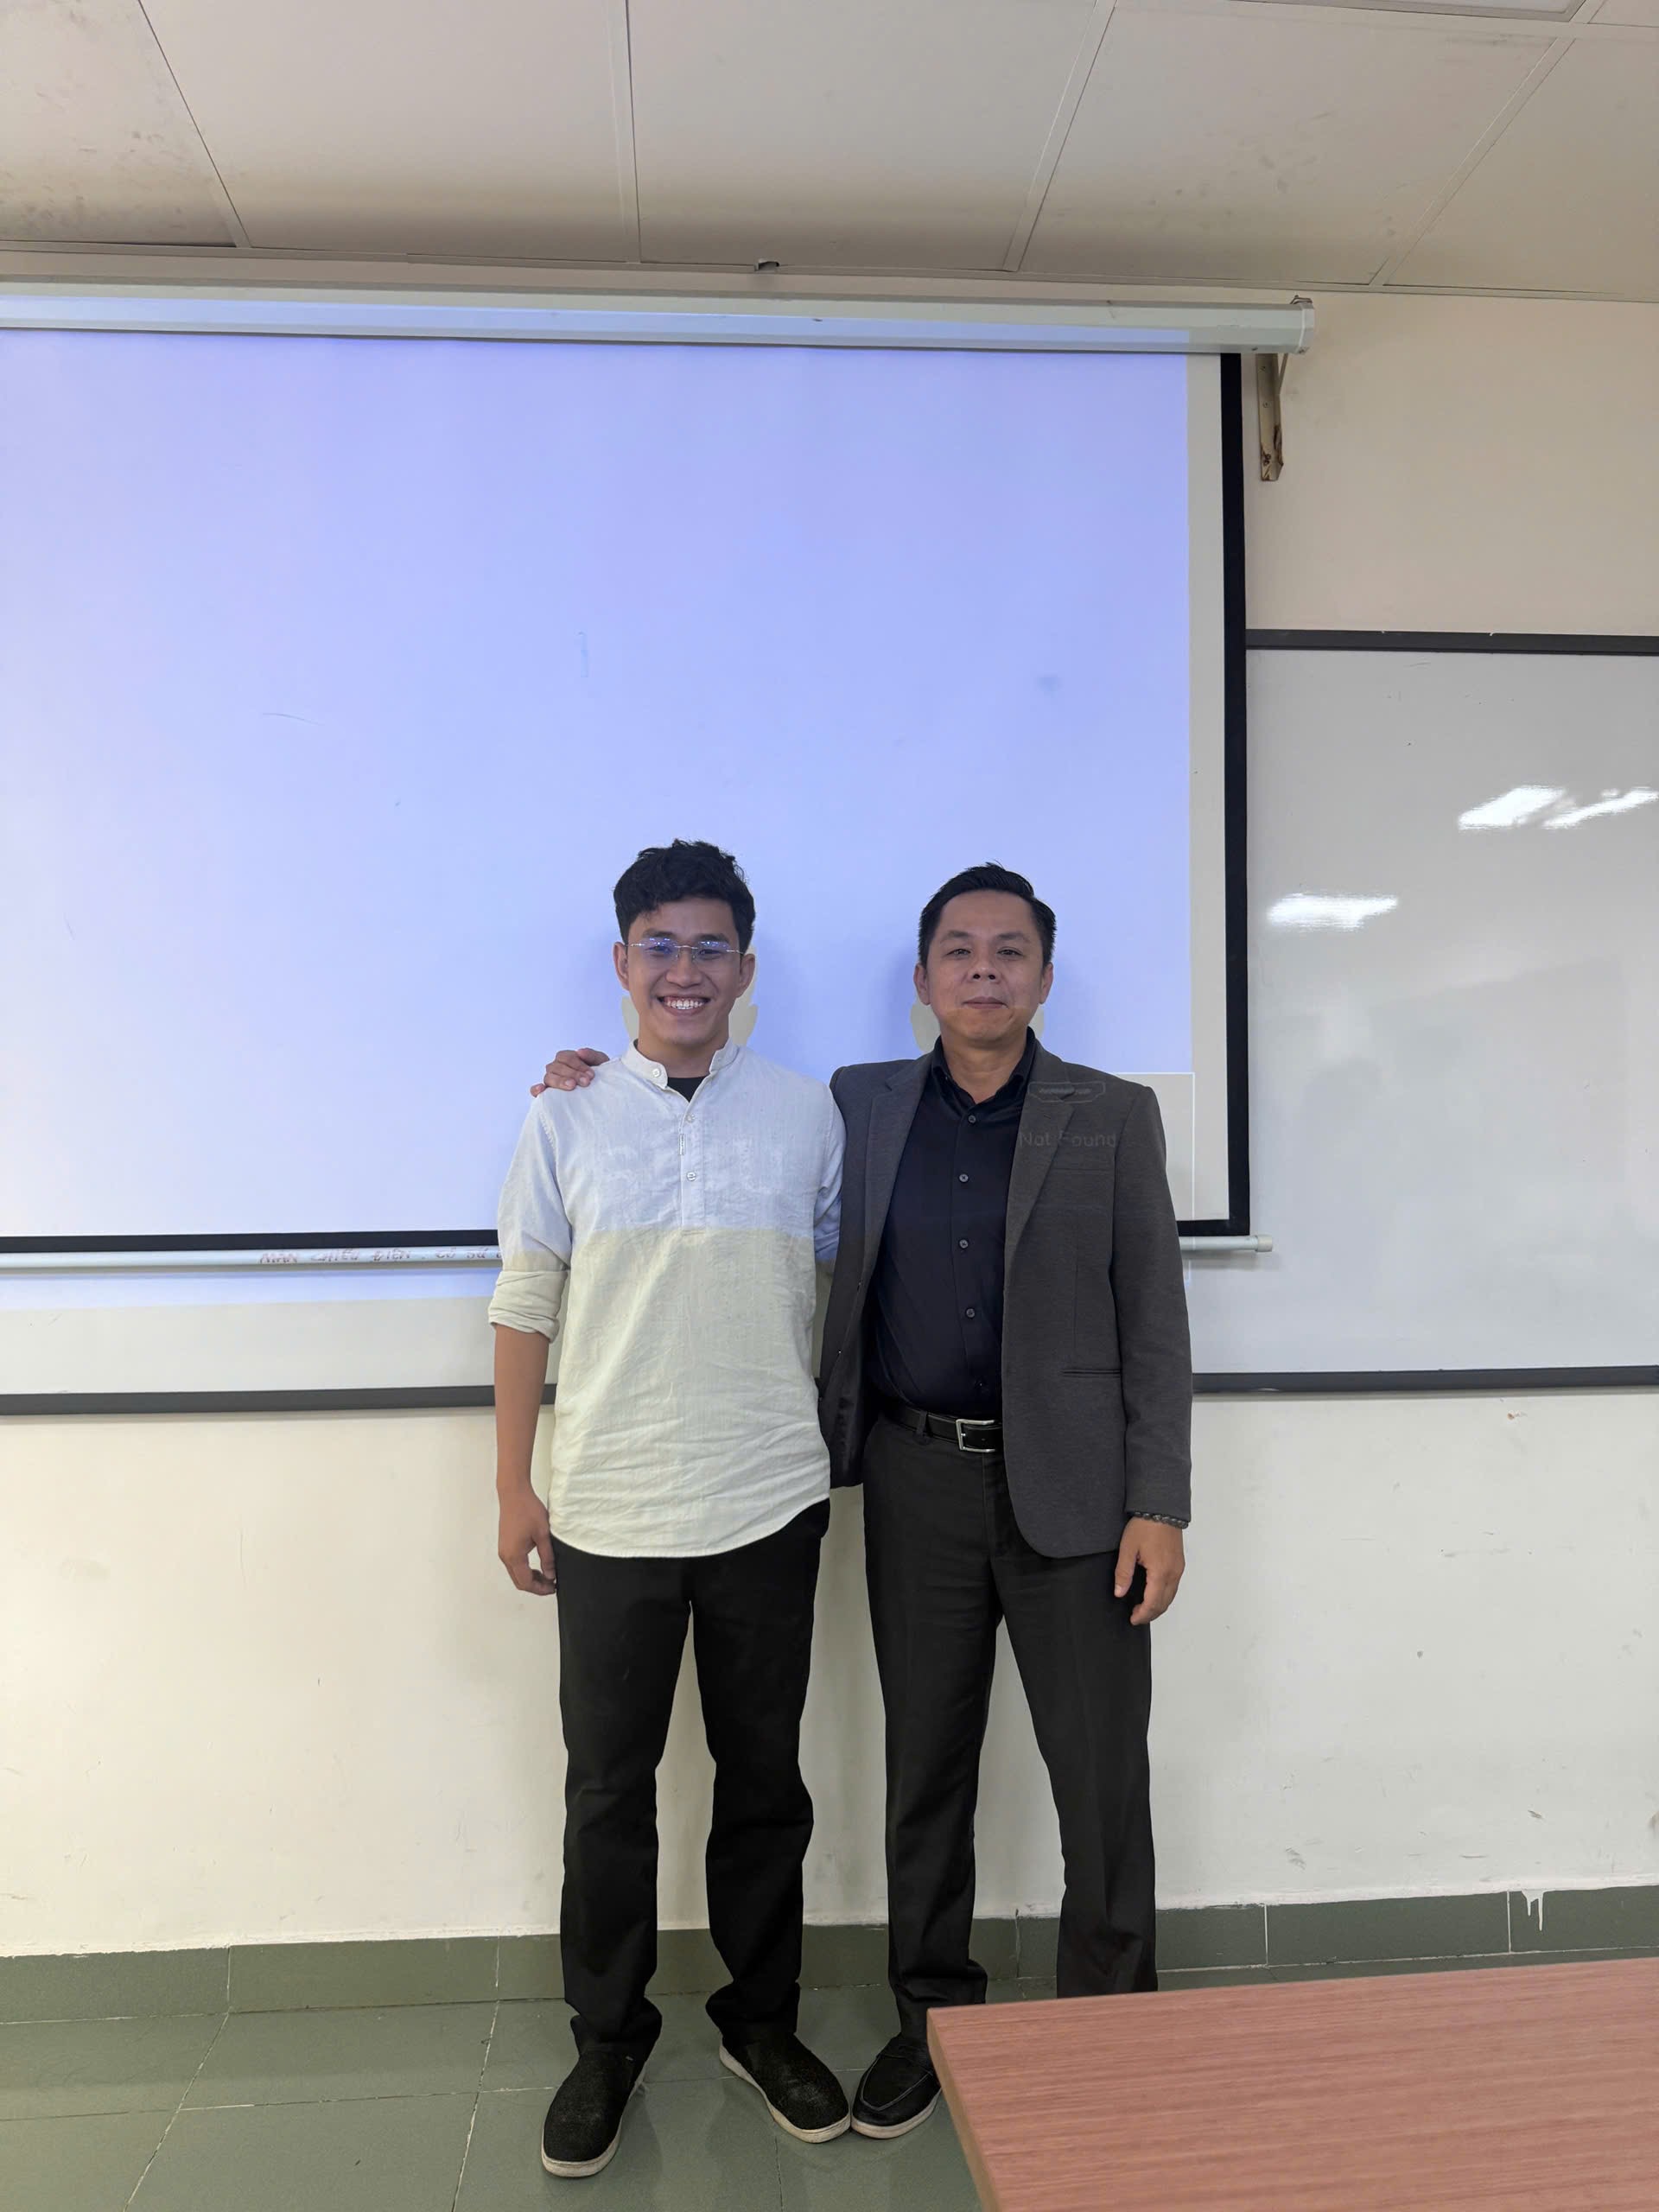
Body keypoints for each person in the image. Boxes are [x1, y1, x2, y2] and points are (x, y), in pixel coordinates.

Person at [537, 859, 1192, 2145]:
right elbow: (701, 1123)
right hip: (914, 1478)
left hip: (1079, 1498)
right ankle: (932, 2019)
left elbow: (1156, 1321)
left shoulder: (1115, 1117)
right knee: (923, 1769)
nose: (984, 970)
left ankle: (1113, 2033)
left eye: (1009, 951)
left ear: (1043, 975)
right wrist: (587, 1077)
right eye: (959, 951)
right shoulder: (862, 1103)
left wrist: (1158, 1500)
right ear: (924, 980)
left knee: (1102, 1778)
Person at [492, 839, 849, 2179]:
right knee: (608, 1791)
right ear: (622, 962)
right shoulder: (564, 1115)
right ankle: (607, 2039)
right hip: (608, 1504)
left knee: (765, 1784)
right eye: (660, 945)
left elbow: (830, 1290)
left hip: (768, 1497)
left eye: (710, 948)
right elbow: (525, 1302)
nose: (684, 970)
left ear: (745, 969)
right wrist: (513, 1484)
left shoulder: (808, 1115)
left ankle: (762, 2024)